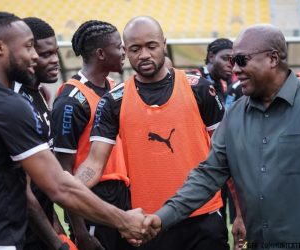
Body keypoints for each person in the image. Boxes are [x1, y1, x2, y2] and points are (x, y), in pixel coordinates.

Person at [0, 10, 148, 250]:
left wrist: (56, 225)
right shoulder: (4, 103)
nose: (34, 57)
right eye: (29, 48)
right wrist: (123, 221)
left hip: (0, 235)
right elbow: (58, 184)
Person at [147, 24, 300, 249]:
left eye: (241, 60)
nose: (235, 70)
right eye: (232, 61)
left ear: (273, 59)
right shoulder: (234, 114)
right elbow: (207, 175)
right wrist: (161, 218)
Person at [74, 16, 229, 250]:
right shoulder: (114, 100)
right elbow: (94, 164)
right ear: (126, 51)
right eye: (135, 49)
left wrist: (240, 214)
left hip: (204, 216)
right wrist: (66, 188)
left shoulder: (200, 89)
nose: (144, 54)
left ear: (164, 44)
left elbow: (228, 157)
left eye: (151, 46)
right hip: (148, 224)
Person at [52, 20, 131, 250]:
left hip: (121, 195)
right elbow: (64, 171)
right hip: (91, 200)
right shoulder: (71, 100)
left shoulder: (114, 88)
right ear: (101, 53)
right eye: (119, 46)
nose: (124, 51)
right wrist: (81, 232)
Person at [12, 17, 70, 250]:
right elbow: (23, 191)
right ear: (28, 55)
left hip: (43, 225)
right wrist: (57, 244)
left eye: (56, 52)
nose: (56, 60)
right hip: (22, 233)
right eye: (46, 55)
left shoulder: (39, 94)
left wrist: (55, 219)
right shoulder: (16, 101)